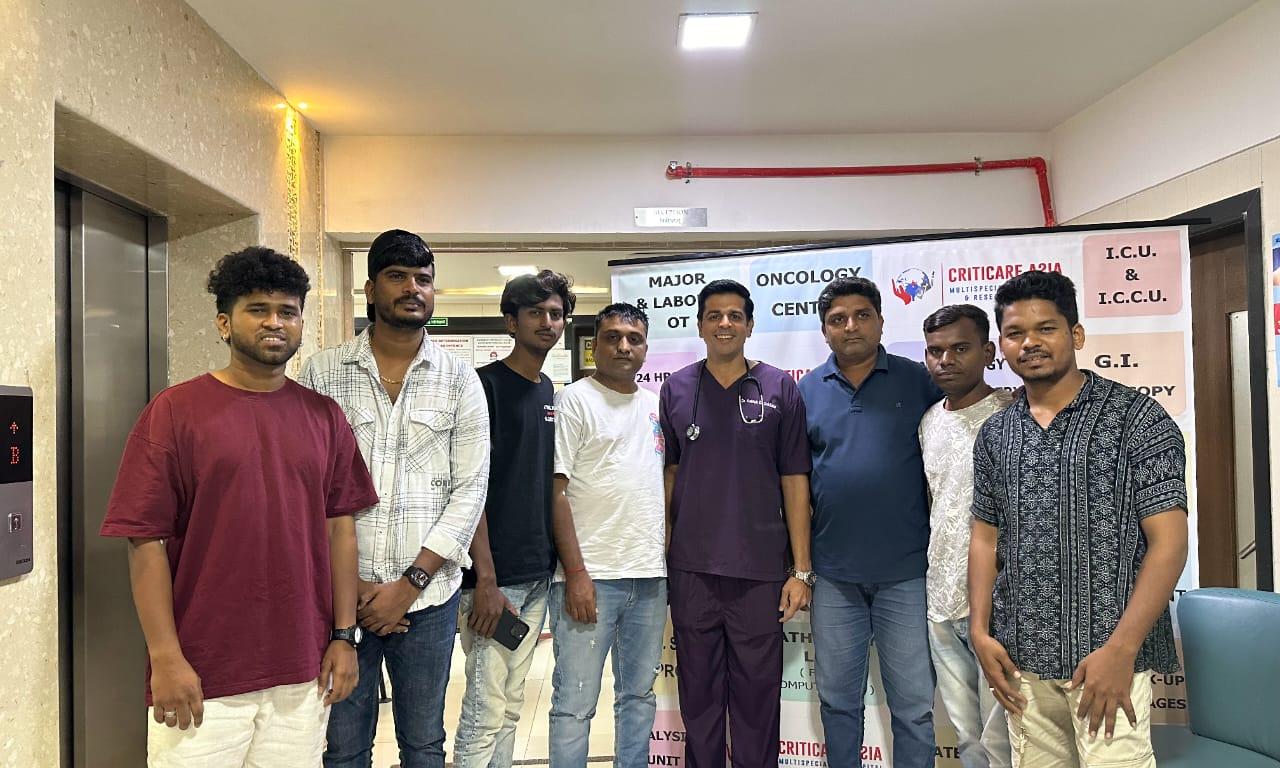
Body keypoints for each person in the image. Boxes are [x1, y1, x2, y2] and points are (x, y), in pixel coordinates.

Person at [101, 246, 379, 767]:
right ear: (224, 323)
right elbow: (144, 541)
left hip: (302, 671)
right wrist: (165, 657)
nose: (275, 322)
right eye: (258, 309)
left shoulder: (325, 417)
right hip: (202, 673)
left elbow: (340, 529)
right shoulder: (175, 412)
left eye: (288, 311)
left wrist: (344, 637)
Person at [969, 271, 1188, 768]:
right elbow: (984, 538)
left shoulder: (1137, 419)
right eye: (1015, 333)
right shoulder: (996, 434)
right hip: (1022, 660)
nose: (1030, 343)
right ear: (1002, 345)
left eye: (1045, 328)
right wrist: (981, 632)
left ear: (1077, 334)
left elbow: (1170, 543)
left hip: (1108, 660)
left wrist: (1122, 650)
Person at [300, 229, 491, 768]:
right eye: (397, 277)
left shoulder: (459, 379)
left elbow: (471, 488)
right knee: (342, 746)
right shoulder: (323, 372)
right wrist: (352, 587)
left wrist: (410, 585)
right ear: (369, 289)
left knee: (424, 744)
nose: (413, 289)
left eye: (423, 280)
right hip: (342, 600)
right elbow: (310, 488)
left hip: (428, 601)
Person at [658, 279, 813, 768]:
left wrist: (801, 569)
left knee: (756, 700)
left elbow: (794, 478)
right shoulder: (677, 388)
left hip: (759, 570)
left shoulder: (779, 387)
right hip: (692, 570)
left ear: (749, 325)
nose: (724, 323)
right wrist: (664, 553)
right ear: (700, 325)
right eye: (714, 315)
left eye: (734, 315)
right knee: (698, 698)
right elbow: (671, 474)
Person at [797, 276, 942, 768]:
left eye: (862, 315)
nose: (850, 326)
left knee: (914, 707)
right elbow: (795, 484)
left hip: (907, 572)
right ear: (824, 331)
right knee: (838, 702)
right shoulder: (805, 391)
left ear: (881, 321)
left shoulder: (918, 380)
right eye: (837, 320)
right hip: (834, 574)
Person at [454, 269, 577, 768]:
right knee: (484, 709)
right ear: (511, 322)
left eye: (556, 314)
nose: (548, 322)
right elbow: (470, 487)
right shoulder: (483, 387)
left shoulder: (549, 389)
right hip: (492, 582)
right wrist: (485, 578)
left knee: (509, 704)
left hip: (536, 576)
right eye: (535, 313)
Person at [547, 302, 667, 768]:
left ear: (646, 348)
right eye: (612, 337)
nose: (623, 346)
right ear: (594, 345)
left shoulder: (655, 405)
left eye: (634, 339)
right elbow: (556, 492)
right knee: (574, 704)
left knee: (638, 697)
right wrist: (576, 573)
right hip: (590, 578)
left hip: (649, 578)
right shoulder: (574, 400)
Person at [918, 305, 1013, 768]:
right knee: (966, 735)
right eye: (935, 351)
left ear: (988, 351)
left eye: (959, 348)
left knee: (1004, 736)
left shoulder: (1013, 416)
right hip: (940, 599)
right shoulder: (928, 420)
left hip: (998, 603)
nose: (946, 360)